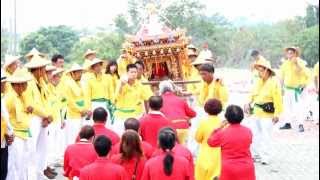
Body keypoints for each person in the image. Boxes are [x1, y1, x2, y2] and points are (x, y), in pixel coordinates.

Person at [244, 59, 283, 165]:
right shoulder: (258, 81)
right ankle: (255, 154)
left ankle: (265, 156)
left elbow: (278, 99)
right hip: (256, 111)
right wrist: (247, 103)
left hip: (267, 113)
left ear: (267, 70)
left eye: (261, 71)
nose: (259, 73)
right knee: (255, 134)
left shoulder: (274, 82)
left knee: (266, 135)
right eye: (258, 71)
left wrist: (277, 114)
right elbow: (252, 94)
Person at [24, 54, 55, 179]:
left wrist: (47, 117)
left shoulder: (41, 82)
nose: (45, 70)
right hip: (33, 118)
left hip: (43, 118)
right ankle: (31, 176)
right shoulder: (29, 82)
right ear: (37, 69)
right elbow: (30, 104)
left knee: (43, 148)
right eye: (43, 68)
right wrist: (46, 115)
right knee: (32, 149)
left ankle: (39, 173)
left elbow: (46, 101)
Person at [208, 105, 255, 180]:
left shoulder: (223, 133)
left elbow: (210, 142)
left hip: (229, 168)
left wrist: (218, 128)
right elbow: (249, 142)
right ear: (242, 117)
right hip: (247, 167)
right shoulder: (248, 131)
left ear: (226, 117)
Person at [4, 68, 32, 180]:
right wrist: (7, 133)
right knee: (15, 166)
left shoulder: (21, 96)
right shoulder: (9, 98)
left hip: (24, 134)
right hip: (15, 136)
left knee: (23, 164)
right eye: (24, 84)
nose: (26, 86)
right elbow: (3, 118)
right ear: (17, 85)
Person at [279, 47, 310, 132]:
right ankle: (288, 123)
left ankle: (300, 124)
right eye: (288, 53)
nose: (289, 54)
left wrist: (296, 63)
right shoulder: (285, 64)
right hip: (287, 89)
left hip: (296, 90)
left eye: (291, 53)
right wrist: (281, 88)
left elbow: (302, 72)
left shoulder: (300, 62)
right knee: (287, 107)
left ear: (295, 54)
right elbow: (282, 77)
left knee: (298, 108)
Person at [114, 64, 151, 133]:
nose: (134, 74)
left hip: (136, 115)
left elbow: (148, 97)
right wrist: (121, 85)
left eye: (135, 72)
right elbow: (115, 98)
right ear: (127, 73)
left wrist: (148, 113)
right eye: (131, 72)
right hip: (121, 116)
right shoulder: (120, 83)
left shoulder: (140, 85)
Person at [159, 80, 196, 145]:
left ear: (160, 90)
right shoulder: (180, 100)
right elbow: (193, 114)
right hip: (183, 127)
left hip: (169, 129)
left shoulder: (159, 101)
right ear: (172, 90)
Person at [195, 99, 222, 180]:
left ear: (206, 109)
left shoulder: (203, 123)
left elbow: (198, 138)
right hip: (219, 157)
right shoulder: (222, 123)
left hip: (204, 156)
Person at [64, 63, 90, 145]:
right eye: (78, 72)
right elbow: (69, 101)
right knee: (73, 136)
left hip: (83, 114)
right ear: (72, 73)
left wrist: (87, 109)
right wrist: (81, 110)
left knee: (82, 136)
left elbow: (86, 97)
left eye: (81, 72)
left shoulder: (82, 83)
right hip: (73, 114)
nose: (80, 74)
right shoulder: (68, 84)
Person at [83, 58, 114, 125]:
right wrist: (88, 108)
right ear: (93, 68)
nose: (98, 67)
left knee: (107, 124)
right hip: (94, 104)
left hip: (106, 103)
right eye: (95, 66)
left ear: (101, 66)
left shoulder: (108, 77)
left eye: (99, 65)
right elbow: (87, 95)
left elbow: (111, 92)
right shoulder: (89, 80)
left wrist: (113, 104)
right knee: (94, 124)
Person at [46, 68, 66, 168]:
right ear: (53, 78)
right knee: (50, 140)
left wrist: (62, 119)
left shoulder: (57, 89)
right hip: (50, 120)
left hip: (57, 118)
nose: (59, 78)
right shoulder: (47, 88)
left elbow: (61, 106)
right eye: (58, 76)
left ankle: (55, 159)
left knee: (57, 139)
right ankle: (49, 162)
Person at [1, 71, 14, 180]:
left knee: (3, 170)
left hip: (3, 139)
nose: (5, 85)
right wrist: (8, 133)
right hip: (2, 138)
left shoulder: (2, 99)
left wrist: (10, 133)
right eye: (3, 83)